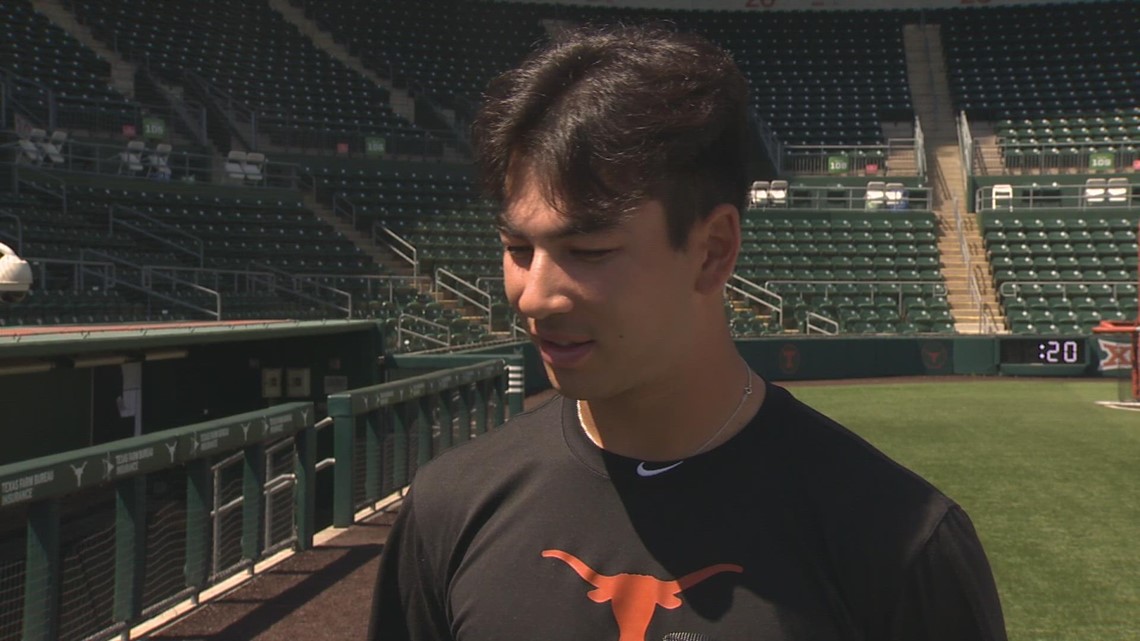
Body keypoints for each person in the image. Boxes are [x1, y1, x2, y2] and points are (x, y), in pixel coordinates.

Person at [368, 23, 1007, 641]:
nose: (534, 295)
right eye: (516, 248)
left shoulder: (895, 539)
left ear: (712, 250)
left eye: (589, 251)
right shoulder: (451, 506)